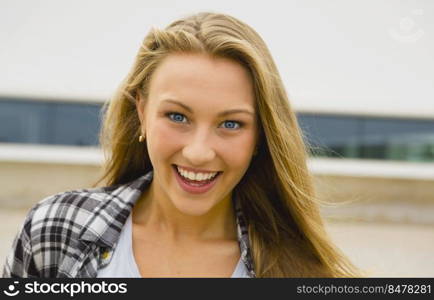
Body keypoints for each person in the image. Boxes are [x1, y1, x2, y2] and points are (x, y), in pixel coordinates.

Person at [3, 12, 360, 278]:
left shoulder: (304, 273)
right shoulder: (55, 230)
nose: (199, 152)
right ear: (142, 111)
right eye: (177, 117)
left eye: (231, 124)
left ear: (260, 137)